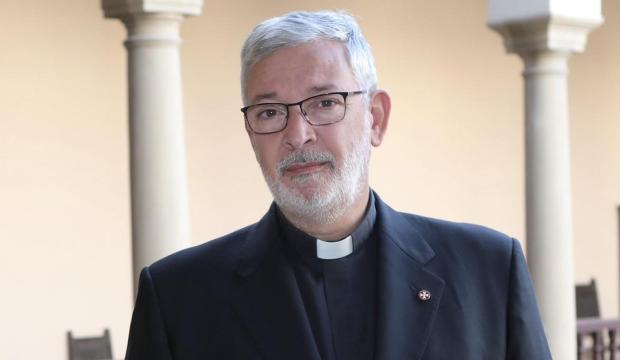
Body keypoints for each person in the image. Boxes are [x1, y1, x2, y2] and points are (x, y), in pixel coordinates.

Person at [125, 10, 551, 360]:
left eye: (325, 103)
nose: (298, 133)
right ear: (251, 132)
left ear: (376, 119)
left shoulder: (489, 272)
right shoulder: (178, 299)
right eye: (270, 112)